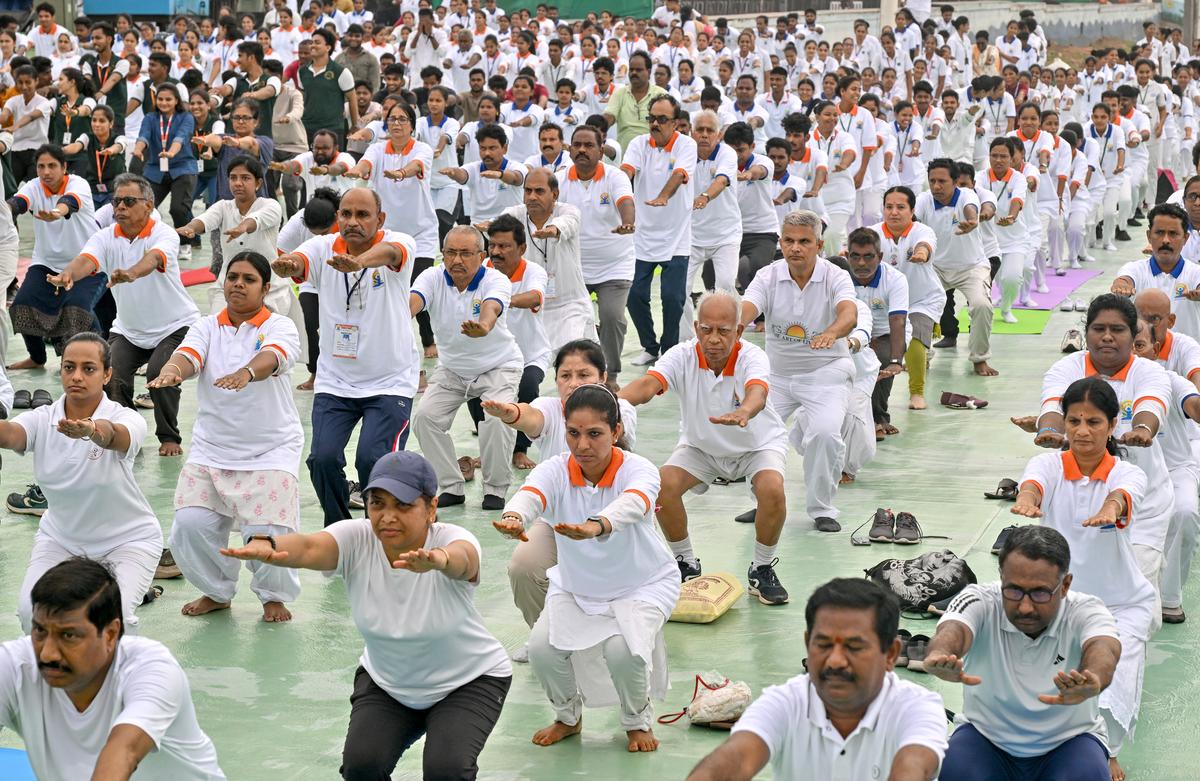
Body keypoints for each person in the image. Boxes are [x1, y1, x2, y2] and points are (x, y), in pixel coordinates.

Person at [221, 451, 511, 780]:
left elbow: (464, 560)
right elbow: (310, 547)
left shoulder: (451, 539)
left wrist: (439, 560)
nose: (387, 516)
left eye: (402, 505)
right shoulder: (356, 538)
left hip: (468, 681)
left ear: (431, 509)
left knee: (445, 770)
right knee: (361, 768)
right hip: (389, 683)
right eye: (378, 503)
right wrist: (269, 544)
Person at [495, 384, 678, 753]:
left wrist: (597, 525)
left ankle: (636, 721)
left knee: (622, 651)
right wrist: (515, 515)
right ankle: (567, 717)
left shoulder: (639, 469)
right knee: (543, 650)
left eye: (594, 434)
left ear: (616, 432)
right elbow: (532, 492)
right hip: (578, 587)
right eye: (573, 434)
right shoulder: (557, 469)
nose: (582, 445)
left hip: (642, 585)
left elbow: (635, 503)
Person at [148, 252, 303, 624]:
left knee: (267, 531)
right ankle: (216, 592)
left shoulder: (280, 326)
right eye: (232, 277)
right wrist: (172, 372)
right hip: (212, 448)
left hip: (270, 449)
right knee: (190, 526)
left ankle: (273, 597)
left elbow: (273, 357)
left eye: (248, 279)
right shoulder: (207, 326)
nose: (237, 284)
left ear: (265, 288)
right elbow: (189, 355)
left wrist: (247, 373)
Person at [1014, 377, 1157, 781]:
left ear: (1112, 425)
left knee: (1109, 678)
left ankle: (1107, 750)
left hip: (1121, 604)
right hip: (1060, 604)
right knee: (1050, 683)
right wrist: (1026, 500)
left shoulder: (1128, 474)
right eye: (1073, 421)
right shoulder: (1048, 465)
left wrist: (1112, 508)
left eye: (1093, 422)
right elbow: (1032, 485)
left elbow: (1124, 494)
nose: (1081, 431)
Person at [620, 289, 791, 602]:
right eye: (707, 329)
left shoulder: (752, 357)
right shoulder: (681, 355)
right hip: (701, 448)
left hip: (757, 446)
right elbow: (648, 385)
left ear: (738, 331)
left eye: (724, 331)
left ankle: (762, 568)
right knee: (662, 485)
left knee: (772, 490)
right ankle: (685, 562)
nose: (714, 339)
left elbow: (757, 392)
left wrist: (744, 411)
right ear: (696, 327)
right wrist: (609, 401)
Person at [686, 578, 946, 780]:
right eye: (822, 644)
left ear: (890, 654)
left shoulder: (918, 707)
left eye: (854, 647)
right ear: (807, 643)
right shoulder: (784, 702)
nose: (834, 660)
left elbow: (913, 768)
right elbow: (736, 758)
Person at [270, 189, 419, 526]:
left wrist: (359, 262)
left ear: (380, 219)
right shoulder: (324, 246)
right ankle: (340, 528)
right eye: (346, 214)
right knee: (321, 460)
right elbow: (300, 260)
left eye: (363, 215)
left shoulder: (401, 242)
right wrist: (289, 264)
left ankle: (377, 526)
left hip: (390, 382)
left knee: (373, 461)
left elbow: (390, 252)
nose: (353, 221)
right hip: (336, 380)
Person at [0, 558, 225, 779]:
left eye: (68, 635)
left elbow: (124, 752)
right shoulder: (16, 664)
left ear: (110, 634)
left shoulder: (152, 671)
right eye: (39, 631)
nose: (47, 653)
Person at [927, 525, 1121, 781]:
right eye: (1014, 590)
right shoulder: (980, 599)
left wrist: (1094, 677)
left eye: (1040, 593)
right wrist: (942, 653)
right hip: (987, 739)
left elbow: (1104, 646)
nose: (1026, 607)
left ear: (1065, 585)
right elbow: (954, 629)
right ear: (1001, 577)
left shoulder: (1086, 609)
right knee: (957, 771)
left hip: (1068, 742)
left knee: (1086, 775)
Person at [0, 333, 162, 632]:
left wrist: (90, 430)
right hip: (61, 540)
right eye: (68, 367)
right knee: (30, 613)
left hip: (127, 541)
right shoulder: (42, 418)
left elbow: (114, 435)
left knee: (114, 622)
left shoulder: (127, 417)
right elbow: (10, 434)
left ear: (107, 374)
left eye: (88, 369)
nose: (76, 376)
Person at [46, 173, 200, 458]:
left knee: (158, 374)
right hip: (129, 330)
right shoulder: (106, 236)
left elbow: (153, 260)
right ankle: (130, 434)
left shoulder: (163, 233)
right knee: (112, 378)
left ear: (149, 204)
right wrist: (68, 274)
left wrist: (130, 273)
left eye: (129, 201)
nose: (120, 208)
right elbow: (87, 260)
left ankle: (169, 436)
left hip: (175, 326)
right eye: (117, 202)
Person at [741, 210, 858, 532]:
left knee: (823, 434)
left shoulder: (836, 276)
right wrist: (734, 325)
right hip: (776, 376)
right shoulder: (768, 275)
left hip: (826, 372)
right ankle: (763, 501)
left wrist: (833, 332)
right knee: (753, 432)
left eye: (804, 242)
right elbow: (748, 306)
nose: (796, 248)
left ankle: (822, 509)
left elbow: (849, 313)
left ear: (819, 244)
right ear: (780, 242)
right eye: (789, 241)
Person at [410, 225, 524, 511]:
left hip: (498, 365)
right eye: (450, 253)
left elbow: (492, 307)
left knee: (498, 420)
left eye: (465, 253)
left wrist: (484, 326)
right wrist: (398, 315)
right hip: (452, 369)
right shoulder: (433, 276)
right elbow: (414, 301)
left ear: (482, 255)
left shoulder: (495, 279)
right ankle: (451, 485)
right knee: (425, 418)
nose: (456, 260)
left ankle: (495, 489)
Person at [6, 143, 99, 371]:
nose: (46, 172)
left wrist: (57, 212)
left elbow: (70, 202)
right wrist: (5, 210)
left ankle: (89, 360)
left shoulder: (79, 184)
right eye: (41, 166)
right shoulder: (33, 186)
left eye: (52, 166)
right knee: (21, 305)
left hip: (87, 264)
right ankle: (37, 359)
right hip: (46, 262)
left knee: (76, 309)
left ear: (64, 167)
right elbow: (18, 203)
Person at [556, 124, 636, 374]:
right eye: (577, 145)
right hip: (573, 267)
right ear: (569, 150)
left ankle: (610, 374)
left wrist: (627, 222)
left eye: (589, 145)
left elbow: (625, 201)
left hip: (615, 265)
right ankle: (575, 374)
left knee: (612, 317)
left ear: (601, 151)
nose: (582, 150)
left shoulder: (615, 177)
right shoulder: (559, 180)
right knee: (572, 324)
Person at [623, 94, 696, 366]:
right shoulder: (638, 143)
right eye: (651, 118)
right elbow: (627, 170)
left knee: (672, 297)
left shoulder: (686, 145)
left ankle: (670, 349)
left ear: (675, 123)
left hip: (677, 234)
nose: (655, 123)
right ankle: (650, 346)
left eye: (662, 119)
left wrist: (665, 196)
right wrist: (620, 185)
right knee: (634, 294)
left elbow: (679, 174)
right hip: (642, 234)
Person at [915, 158, 998, 376]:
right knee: (920, 308)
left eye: (942, 181)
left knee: (982, 306)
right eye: (932, 181)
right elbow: (912, 220)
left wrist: (972, 221)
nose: (936, 186)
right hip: (935, 268)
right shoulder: (924, 199)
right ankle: (921, 356)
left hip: (971, 267)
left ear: (954, 182)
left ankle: (979, 358)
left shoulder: (967, 195)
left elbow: (972, 210)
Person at [502, 168, 596, 350]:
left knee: (572, 358)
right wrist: (488, 228)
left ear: (554, 194)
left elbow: (568, 222)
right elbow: (498, 224)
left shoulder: (568, 211)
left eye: (539, 191)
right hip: (533, 307)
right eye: (528, 191)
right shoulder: (515, 215)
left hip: (570, 306)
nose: (532, 197)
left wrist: (553, 229)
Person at [1112, 203, 1200, 342]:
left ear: (1185, 238)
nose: (1165, 240)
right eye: (1159, 233)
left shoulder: (1195, 272)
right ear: (1148, 236)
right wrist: (1123, 286)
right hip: (1142, 356)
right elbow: (1124, 279)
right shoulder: (1134, 269)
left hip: (1184, 358)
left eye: (1173, 234)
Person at [131, 82, 197, 250]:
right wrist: (138, 150)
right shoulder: (150, 118)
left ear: (176, 100)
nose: (164, 103)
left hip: (182, 167)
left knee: (178, 209)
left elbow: (181, 137)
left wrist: (172, 153)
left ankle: (185, 244)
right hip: (155, 169)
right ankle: (145, 242)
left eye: (168, 99)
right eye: (160, 99)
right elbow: (143, 136)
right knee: (144, 205)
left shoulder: (186, 117)